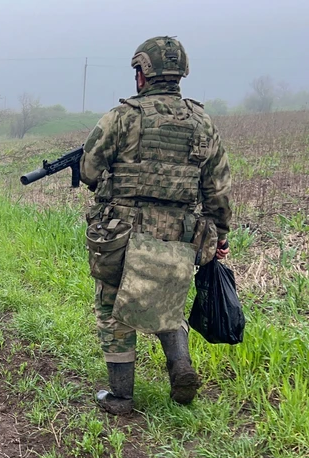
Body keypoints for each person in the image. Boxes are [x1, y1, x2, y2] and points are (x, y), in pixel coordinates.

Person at [80, 37, 232, 415]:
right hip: (178, 232)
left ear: (141, 74)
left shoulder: (122, 118)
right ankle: (180, 366)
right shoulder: (202, 122)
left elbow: (89, 170)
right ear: (180, 75)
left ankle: (120, 397)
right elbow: (218, 188)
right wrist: (221, 237)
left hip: (122, 231)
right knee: (167, 301)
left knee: (114, 306)